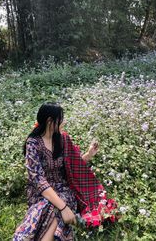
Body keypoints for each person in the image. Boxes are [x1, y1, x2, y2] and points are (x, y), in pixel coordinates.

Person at [13, 102, 99, 241]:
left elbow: (74, 166)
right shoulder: (33, 143)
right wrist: (64, 208)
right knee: (50, 207)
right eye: (61, 119)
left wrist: (89, 155)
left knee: (52, 209)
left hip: (62, 188)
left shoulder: (63, 139)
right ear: (49, 121)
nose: (63, 122)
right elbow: (37, 179)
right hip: (40, 192)